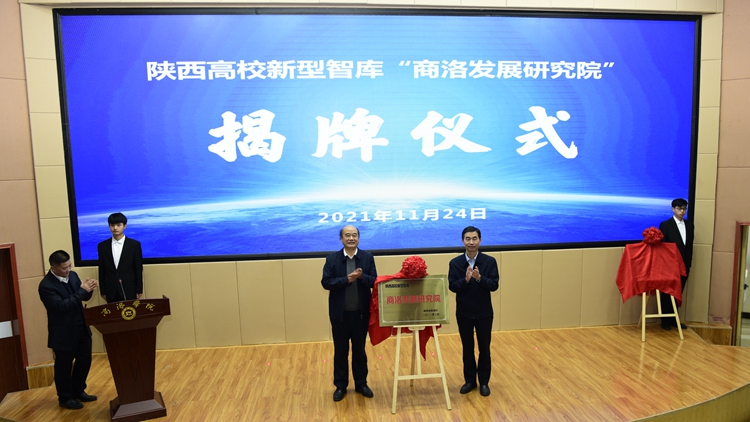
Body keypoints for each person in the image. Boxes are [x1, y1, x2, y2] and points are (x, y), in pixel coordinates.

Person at [321, 225, 377, 402]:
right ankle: (340, 385)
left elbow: (374, 281)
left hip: (361, 314)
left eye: (354, 235)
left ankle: (361, 384)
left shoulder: (367, 258)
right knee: (341, 351)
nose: (351, 238)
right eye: (347, 235)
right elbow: (326, 282)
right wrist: (347, 279)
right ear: (341, 239)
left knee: (359, 350)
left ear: (358, 238)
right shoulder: (332, 259)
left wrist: (361, 277)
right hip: (340, 315)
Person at [38, 250, 99, 410]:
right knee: (64, 367)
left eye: (69, 266)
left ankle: (78, 390)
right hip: (63, 333)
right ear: (53, 268)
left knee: (84, 361)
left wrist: (89, 289)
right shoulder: (46, 286)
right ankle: (65, 397)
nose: (68, 270)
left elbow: (82, 297)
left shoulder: (72, 275)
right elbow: (60, 306)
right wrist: (82, 291)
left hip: (82, 328)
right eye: (64, 268)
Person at [448, 226, 499, 397]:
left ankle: (484, 382)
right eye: (468, 239)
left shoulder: (489, 262)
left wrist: (479, 278)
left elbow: (494, 285)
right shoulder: (455, 263)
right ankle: (470, 381)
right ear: (463, 241)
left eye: (474, 238)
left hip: (484, 312)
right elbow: (452, 286)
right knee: (467, 347)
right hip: (464, 313)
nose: (471, 242)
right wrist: (466, 280)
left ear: (480, 240)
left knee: (484, 347)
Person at [659, 198, 694, 330]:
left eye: (684, 208)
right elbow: (663, 247)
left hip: (685, 264)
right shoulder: (665, 225)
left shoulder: (690, 225)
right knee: (667, 292)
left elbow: (689, 246)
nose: (682, 211)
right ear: (673, 209)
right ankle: (665, 320)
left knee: (679, 292)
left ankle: (674, 319)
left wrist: (689, 262)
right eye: (679, 208)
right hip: (671, 265)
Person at [97, 212, 143, 303]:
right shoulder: (102, 246)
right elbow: (102, 269)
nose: (115, 228)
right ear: (109, 226)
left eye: (118, 225)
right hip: (110, 289)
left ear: (125, 226)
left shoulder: (134, 245)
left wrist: (139, 289)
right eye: (112, 225)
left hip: (129, 288)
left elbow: (138, 268)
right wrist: (103, 291)